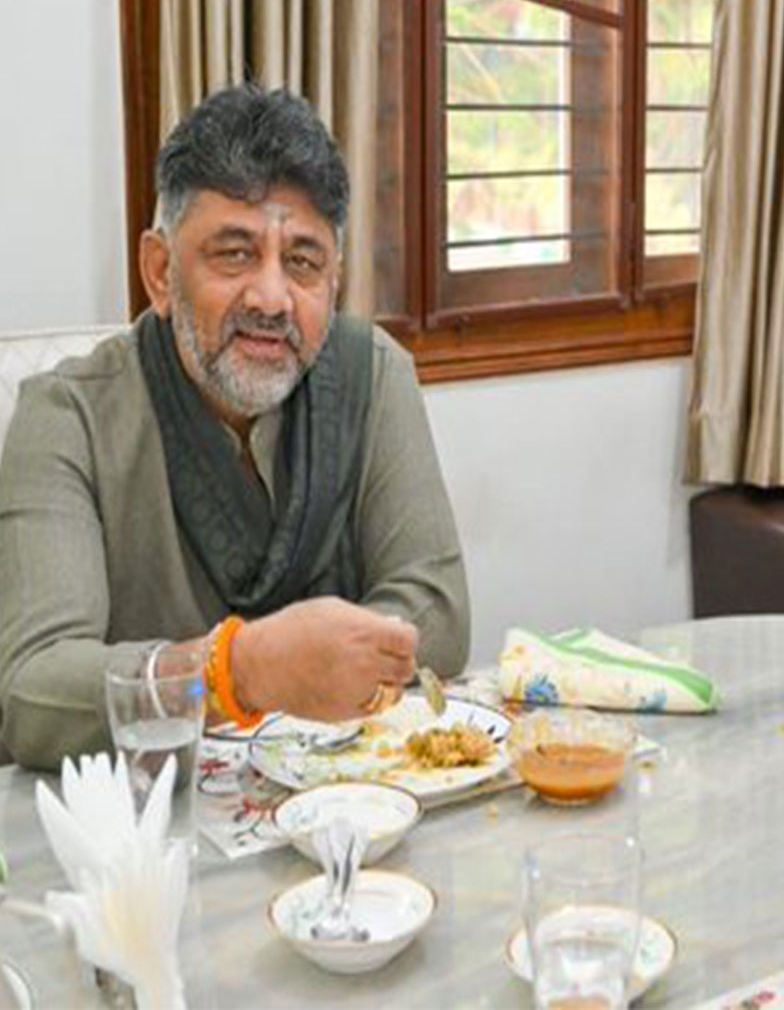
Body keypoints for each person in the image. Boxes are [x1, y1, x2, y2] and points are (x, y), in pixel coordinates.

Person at [0, 84, 470, 768]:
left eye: (303, 262)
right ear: (160, 273)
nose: (273, 298)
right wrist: (235, 671)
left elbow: (439, 615)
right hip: (157, 825)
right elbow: (33, 692)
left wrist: (325, 661)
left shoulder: (375, 376)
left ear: (334, 281)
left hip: (349, 796)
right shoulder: (65, 417)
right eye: (235, 254)